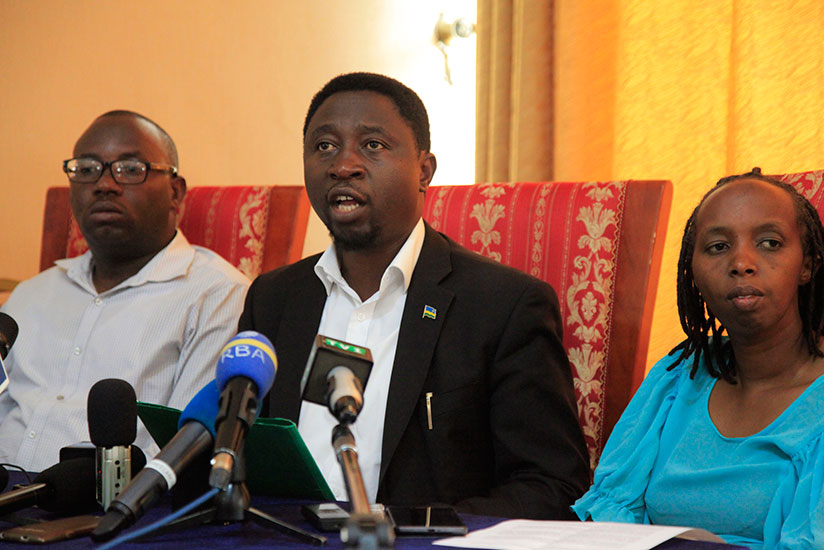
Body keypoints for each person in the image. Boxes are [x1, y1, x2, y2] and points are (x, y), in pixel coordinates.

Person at [238, 72, 589, 519]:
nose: (343, 165)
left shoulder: (503, 305)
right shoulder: (273, 299)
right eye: (324, 146)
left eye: (373, 145)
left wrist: (413, 529)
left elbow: (552, 485)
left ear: (424, 171)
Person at [572, 168, 824, 549]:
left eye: (770, 243)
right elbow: (611, 519)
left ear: (807, 265)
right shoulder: (678, 376)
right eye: (718, 247)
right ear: (693, 272)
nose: (741, 262)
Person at [0, 111, 250, 471]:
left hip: (115, 501)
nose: (104, 184)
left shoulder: (217, 296)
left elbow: (185, 449)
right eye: (87, 169)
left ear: (175, 193)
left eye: (131, 169)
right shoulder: (31, 295)